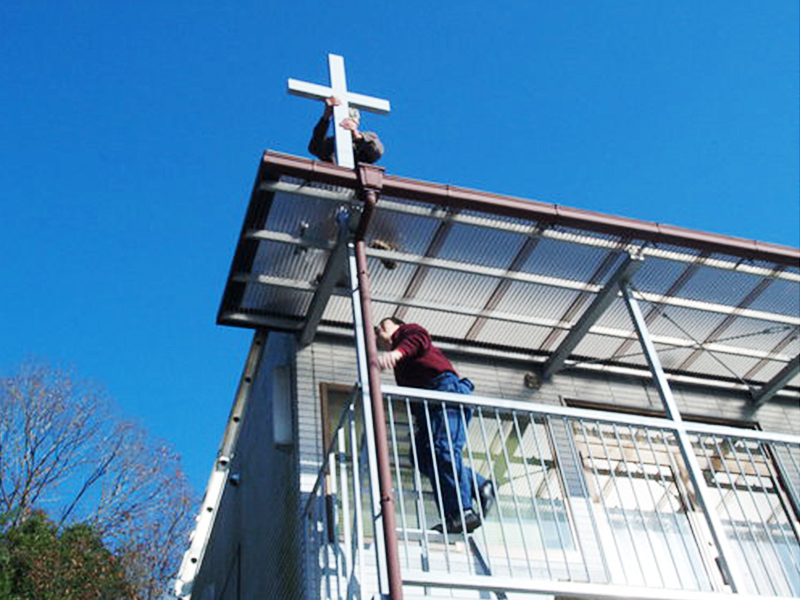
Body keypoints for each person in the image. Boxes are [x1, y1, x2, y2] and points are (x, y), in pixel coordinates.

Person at [376, 317, 495, 534]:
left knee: (444, 449)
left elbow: (419, 337)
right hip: (427, 407)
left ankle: (461, 512)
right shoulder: (404, 357)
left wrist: (396, 352)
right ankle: (479, 484)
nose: (378, 331)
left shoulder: (407, 333)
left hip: (445, 390)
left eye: (383, 326)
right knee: (422, 457)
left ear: (397, 325)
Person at [308, 96, 384, 164]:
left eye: (353, 117)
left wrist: (357, 135)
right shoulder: (333, 142)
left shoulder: (368, 138)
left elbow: (377, 152)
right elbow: (315, 147)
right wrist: (326, 116)